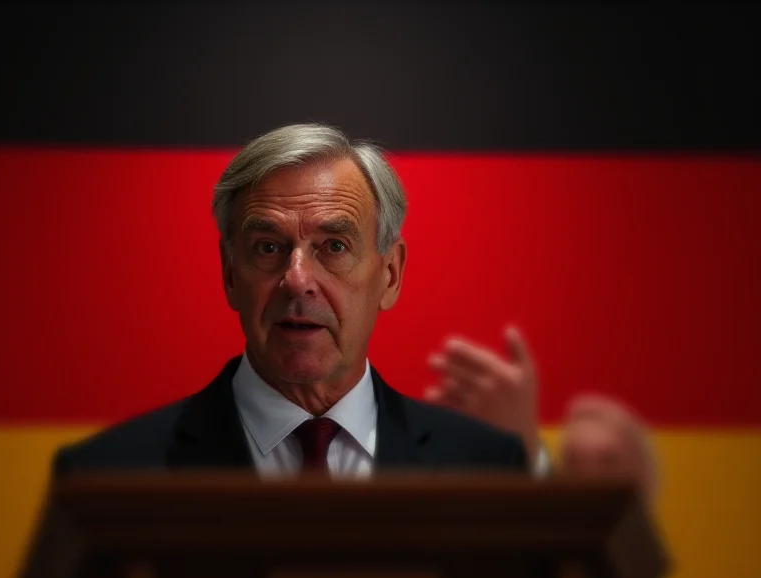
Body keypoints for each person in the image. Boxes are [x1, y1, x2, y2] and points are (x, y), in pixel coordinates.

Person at [52, 123, 530, 477]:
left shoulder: (486, 467)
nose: (297, 279)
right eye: (268, 248)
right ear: (229, 273)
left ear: (390, 273)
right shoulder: (107, 476)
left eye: (334, 246)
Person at [426, 334, 656, 495]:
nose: (589, 474)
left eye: (608, 461)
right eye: (571, 461)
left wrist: (523, 446)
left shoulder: (636, 554)